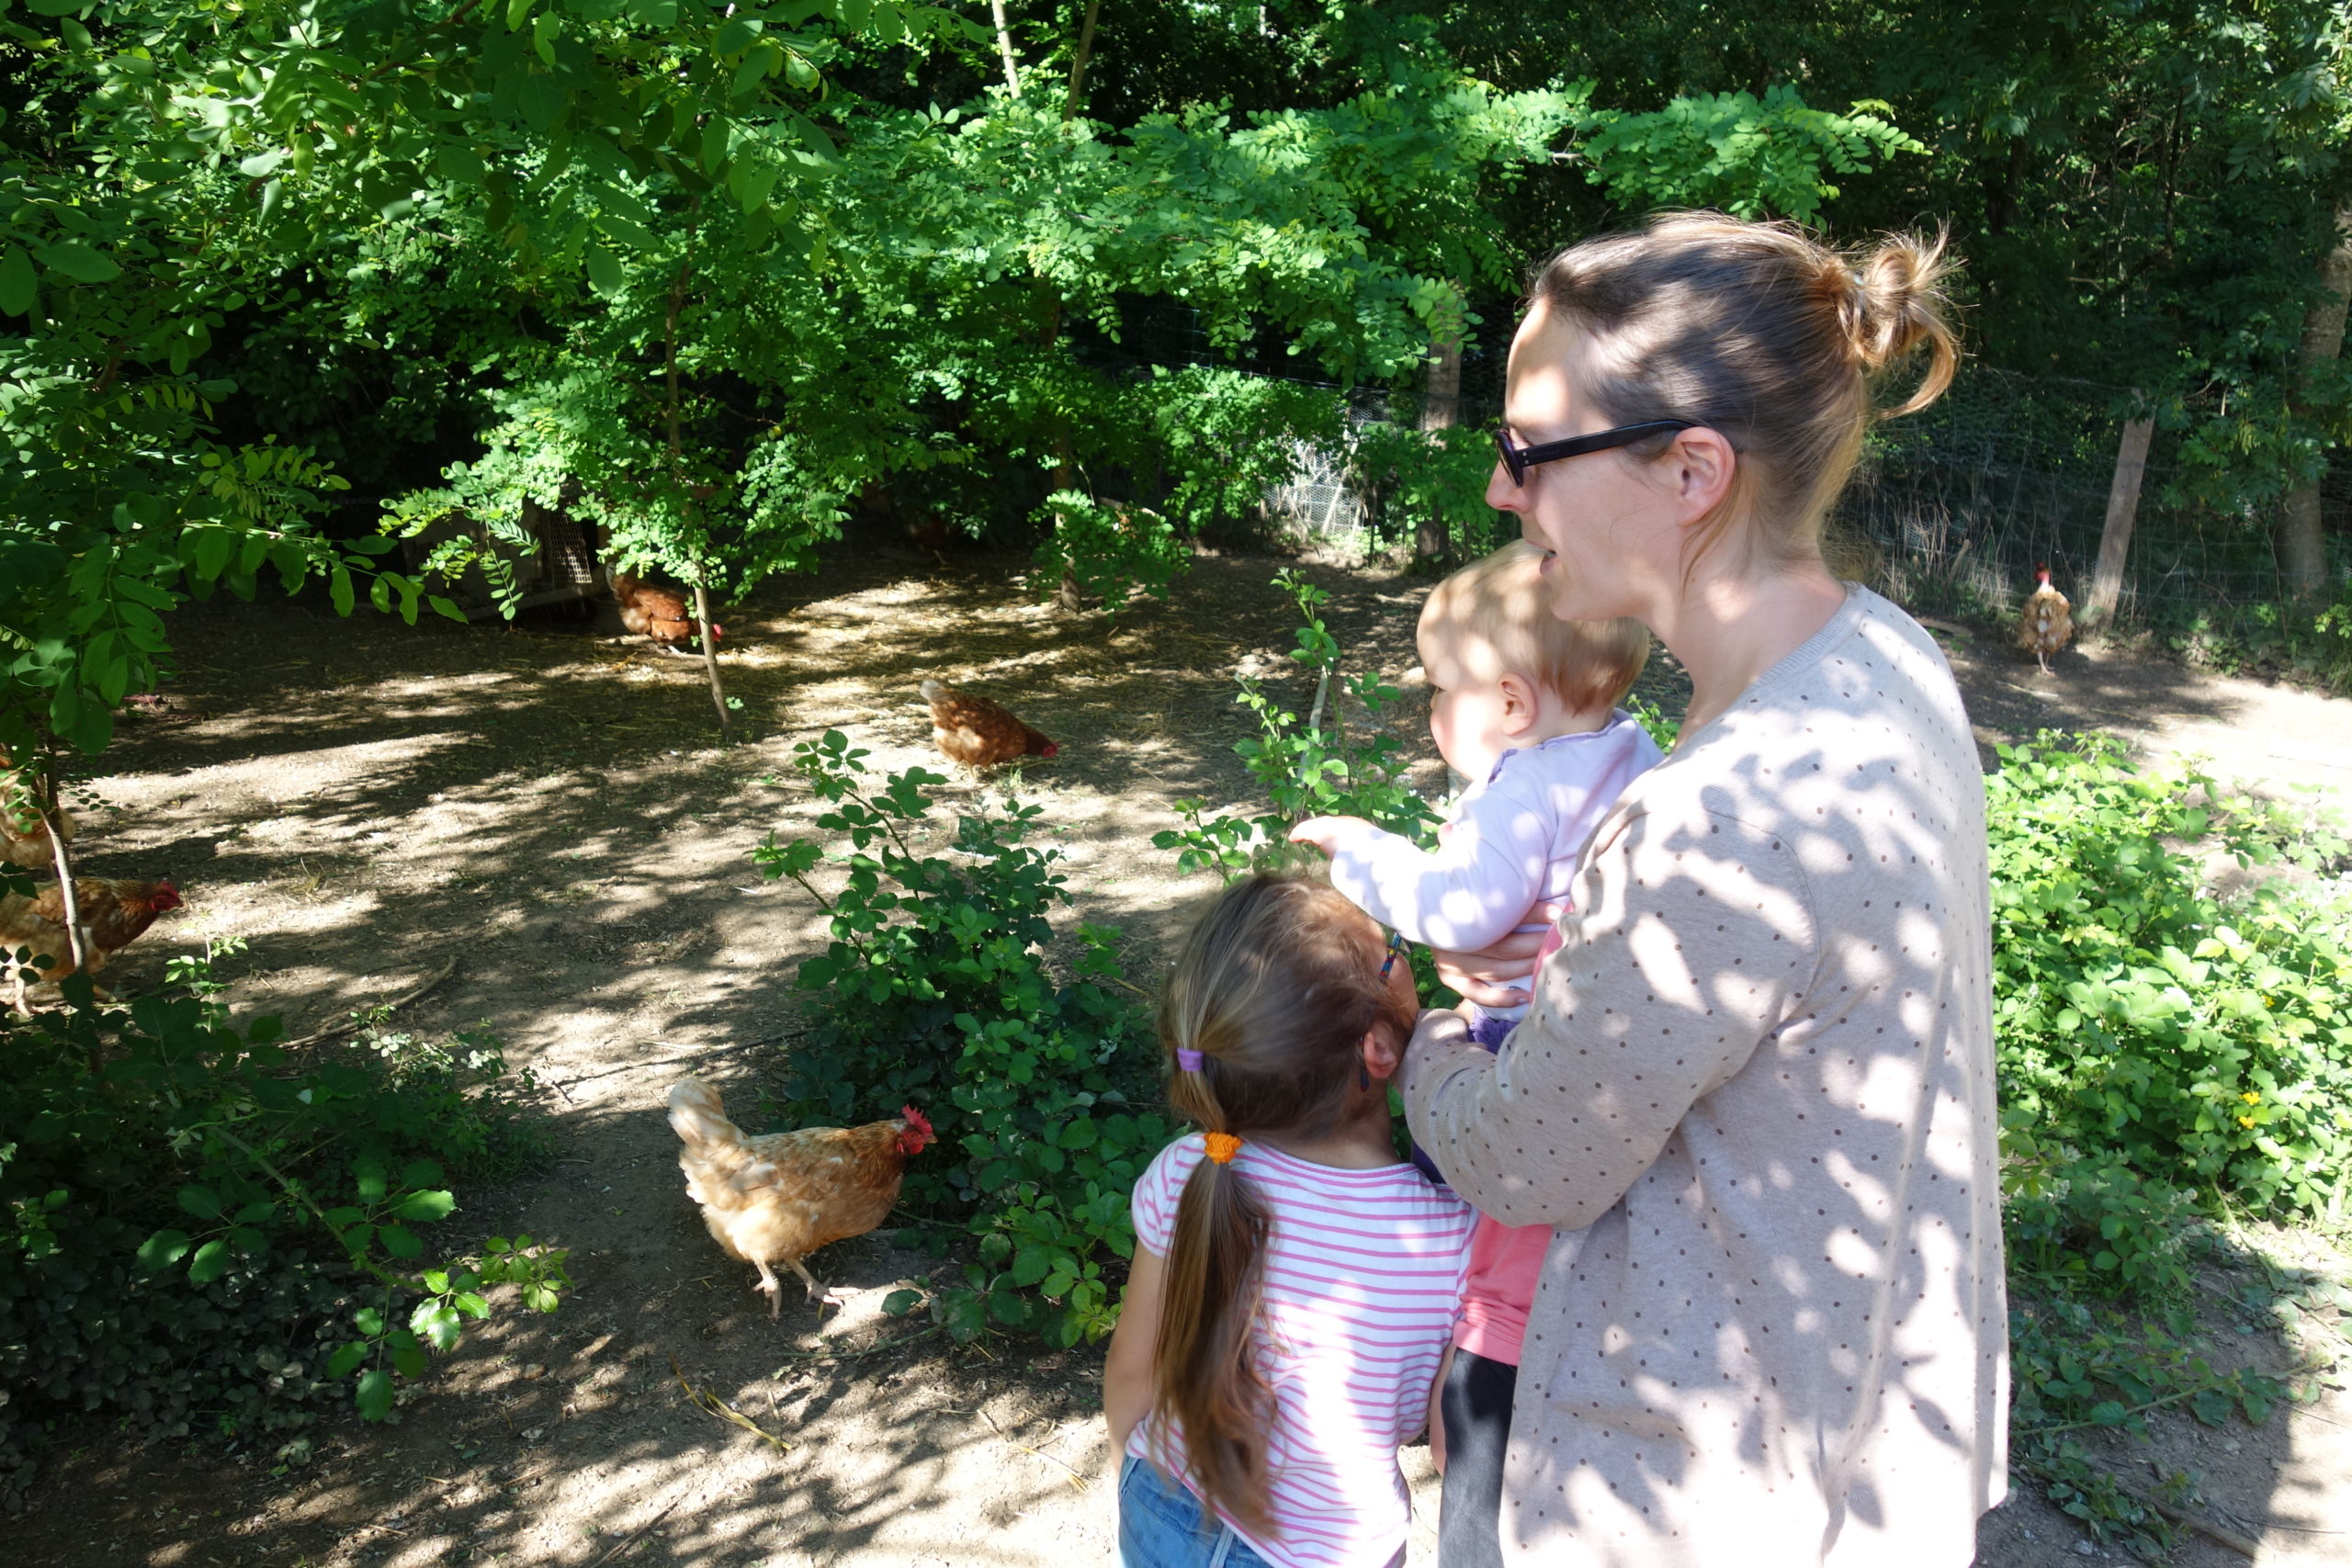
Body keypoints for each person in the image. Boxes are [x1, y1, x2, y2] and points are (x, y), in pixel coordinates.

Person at [1398, 213, 2006, 1568]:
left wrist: (1437, 1032)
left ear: (1690, 471)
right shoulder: (1885, 658)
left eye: (1529, 450)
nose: (1501, 491)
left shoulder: (1713, 816)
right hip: (1856, 1430)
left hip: (1687, 1493)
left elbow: (1526, 1159)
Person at [1285, 540, 1662, 1568]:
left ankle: (1466, 1373)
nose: (1429, 707)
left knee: (1489, 1241)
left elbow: (1463, 908)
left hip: (1521, 1045)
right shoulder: (1631, 751)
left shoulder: (1525, 785)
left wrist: (1366, 857)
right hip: (1607, 1040)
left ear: (1509, 702)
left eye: (1437, 687)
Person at [1104, 873, 1476, 1568]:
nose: (1406, 957)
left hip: (1163, 1501)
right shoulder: (1453, 1237)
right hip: (1324, 1552)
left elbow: (1133, 1370)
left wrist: (1141, 1483)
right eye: (1394, 953)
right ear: (1377, 1048)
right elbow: (1446, 1439)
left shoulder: (1192, 1168)